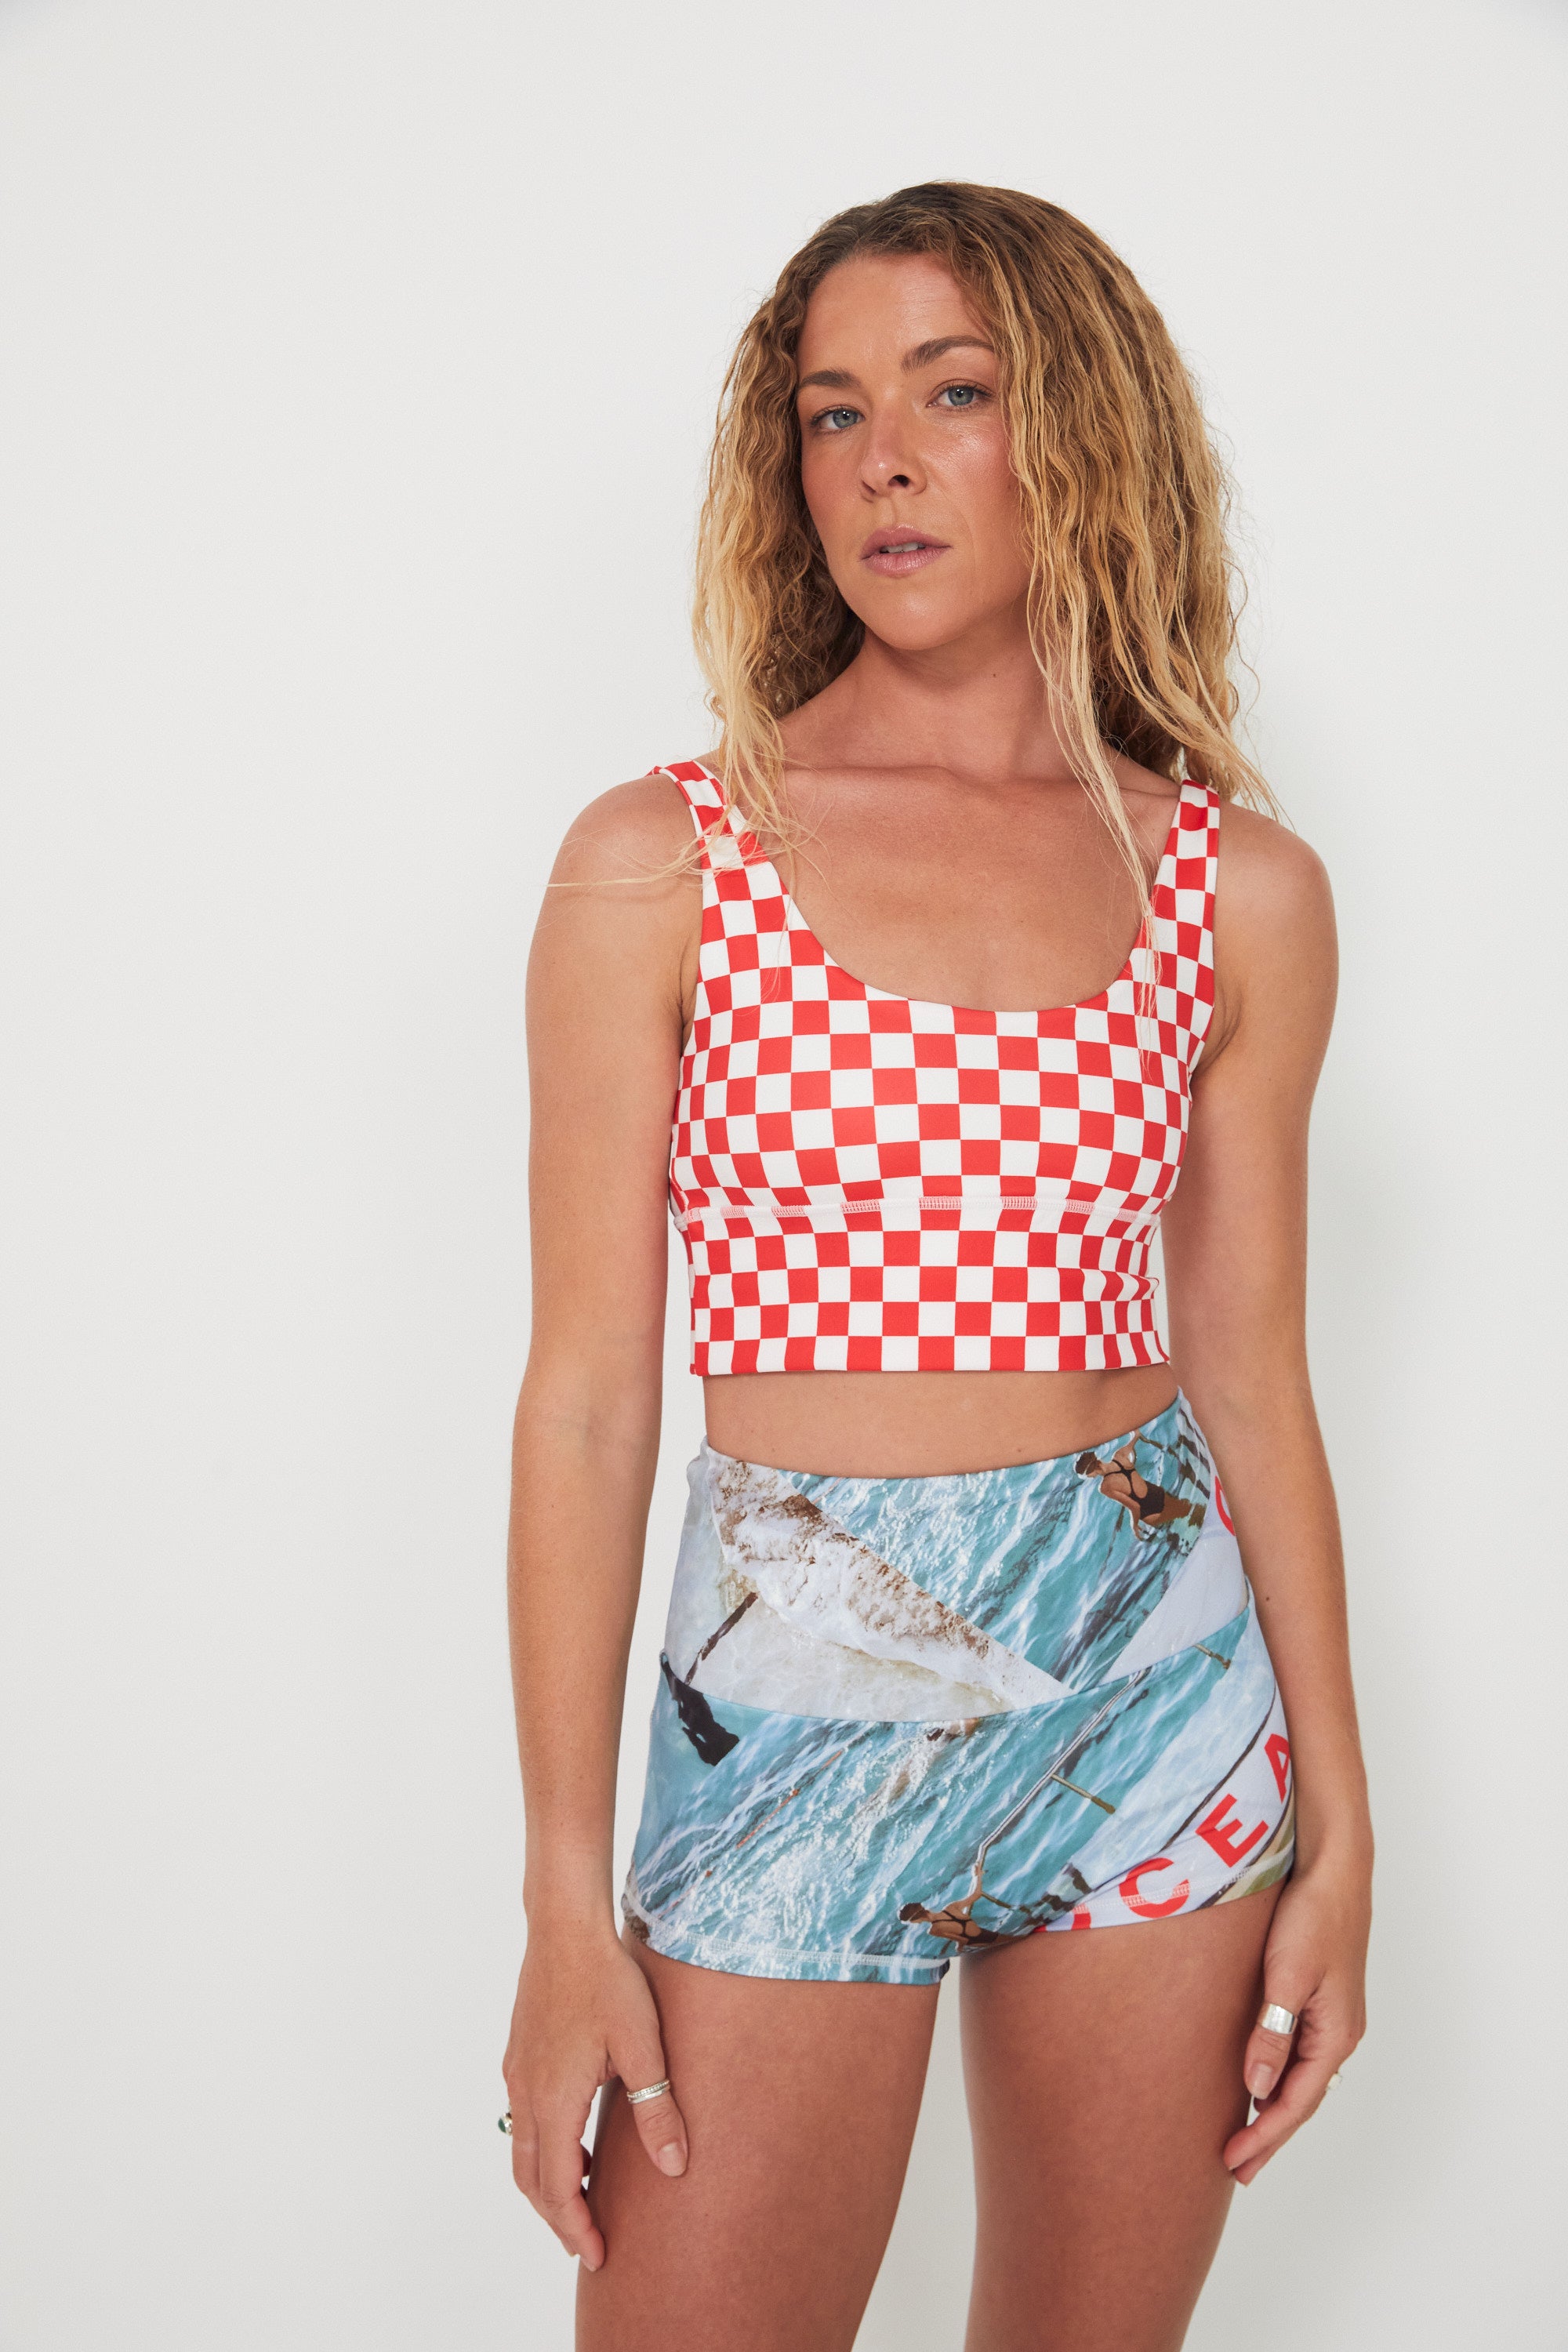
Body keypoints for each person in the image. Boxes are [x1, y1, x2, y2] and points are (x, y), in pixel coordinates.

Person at [501, 181, 1372, 2350]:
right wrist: (556, 1887)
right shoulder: (667, 862)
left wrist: (1343, 1831)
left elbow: (1251, 1371)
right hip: (794, 1694)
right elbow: (594, 1391)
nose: (882, 458)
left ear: (1076, 432)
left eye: (954, 393)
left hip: (1160, 1691)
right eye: (831, 411)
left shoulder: (1236, 889)